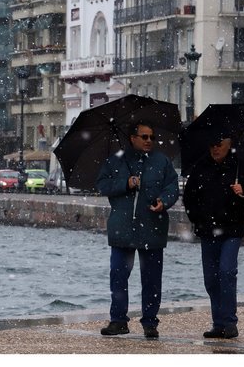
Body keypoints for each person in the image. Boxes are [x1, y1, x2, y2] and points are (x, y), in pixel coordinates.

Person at [95, 122, 179, 339]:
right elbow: (103, 185)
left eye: (151, 136)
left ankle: (150, 322)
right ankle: (118, 321)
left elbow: (172, 187)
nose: (149, 140)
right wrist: (126, 183)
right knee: (118, 276)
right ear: (132, 138)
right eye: (144, 136)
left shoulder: (161, 162)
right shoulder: (116, 161)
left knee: (151, 278)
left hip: (152, 227)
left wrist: (164, 201)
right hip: (123, 228)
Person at [183, 131, 244, 339]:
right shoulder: (201, 167)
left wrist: (243, 193)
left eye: (218, 144)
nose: (215, 148)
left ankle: (229, 322)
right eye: (211, 144)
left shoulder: (239, 166)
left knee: (226, 272)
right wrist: (198, 219)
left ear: (229, 144)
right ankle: (218, 323)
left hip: (232, 230)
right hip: (208, 232)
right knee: (211, 279)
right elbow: (189, 198)